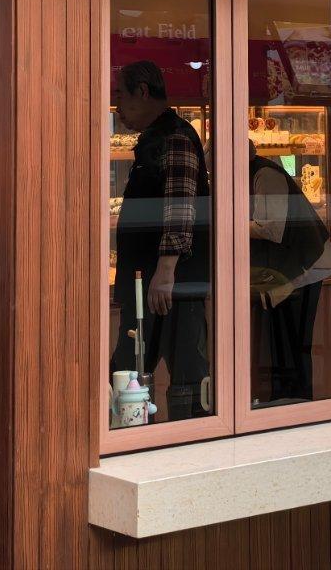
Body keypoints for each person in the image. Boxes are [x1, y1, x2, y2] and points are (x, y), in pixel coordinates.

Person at [110, 62, 211, 423]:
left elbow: (180, 207)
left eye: (120, 94)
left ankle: (190, 437)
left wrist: (166, 272)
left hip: (169, 285)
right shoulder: (156, 138)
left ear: (142, 91)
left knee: (181, 370)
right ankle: (137, 435)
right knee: (133, 365)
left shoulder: (175, 138)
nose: (116, 106)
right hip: (149, 282)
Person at [248, 155, 331, 406]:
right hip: (286, 268)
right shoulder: (256, 173)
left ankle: (297, 401)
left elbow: (272, 228)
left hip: (306, 267)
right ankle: (283, 398)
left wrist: (228, 223)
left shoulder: (265, 174)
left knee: (295, 342)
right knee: (282, 343)